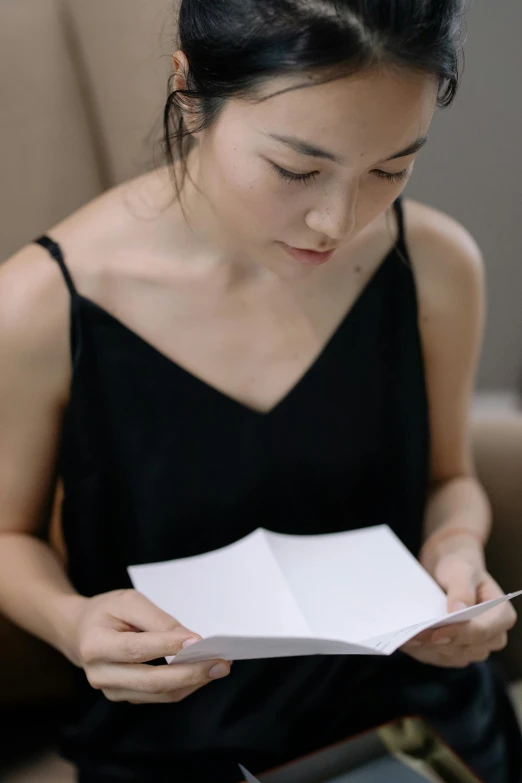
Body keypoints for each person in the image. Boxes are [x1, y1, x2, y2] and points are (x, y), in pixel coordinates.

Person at [0, 0, 520, 781]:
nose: (334, 220)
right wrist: (75, 623)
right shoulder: (40, 306)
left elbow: (451, 478)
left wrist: (455, 549)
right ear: (188, 87)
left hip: (415, 720)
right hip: (173, 736)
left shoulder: (438, 267)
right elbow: (7, 535)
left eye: (390, 169)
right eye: (296, 168)